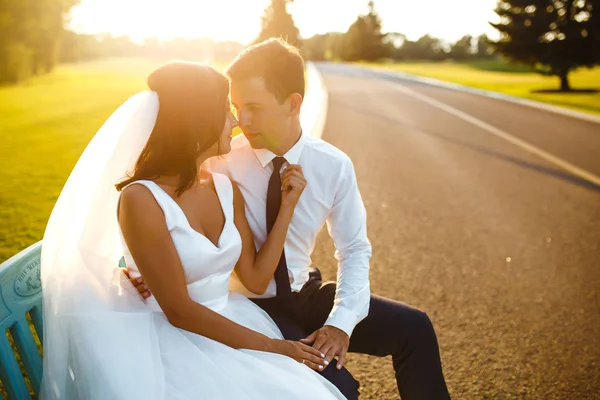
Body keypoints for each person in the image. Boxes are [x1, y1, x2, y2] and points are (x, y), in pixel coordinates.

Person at [129, 39, 451, 400]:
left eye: (253, 108)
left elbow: (355, 249)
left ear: (293, 104)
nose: (240, 121)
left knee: (415, 328)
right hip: (249, 306)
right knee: (335, 386)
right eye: (235, 107)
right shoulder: (218, 159)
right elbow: (164, 205)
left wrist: (340, 323)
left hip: (304, 292)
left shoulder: (333, 165)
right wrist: (140, 270)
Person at [40, 61, 346, 399]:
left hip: (232, 321)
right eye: (227, 110)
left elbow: (257, 279)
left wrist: (287, 207)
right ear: (198, 121)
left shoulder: (225, 188)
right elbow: (179, 311)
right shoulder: (141, 199)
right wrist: (274, 347)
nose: (236, 122)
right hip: (172, 341)